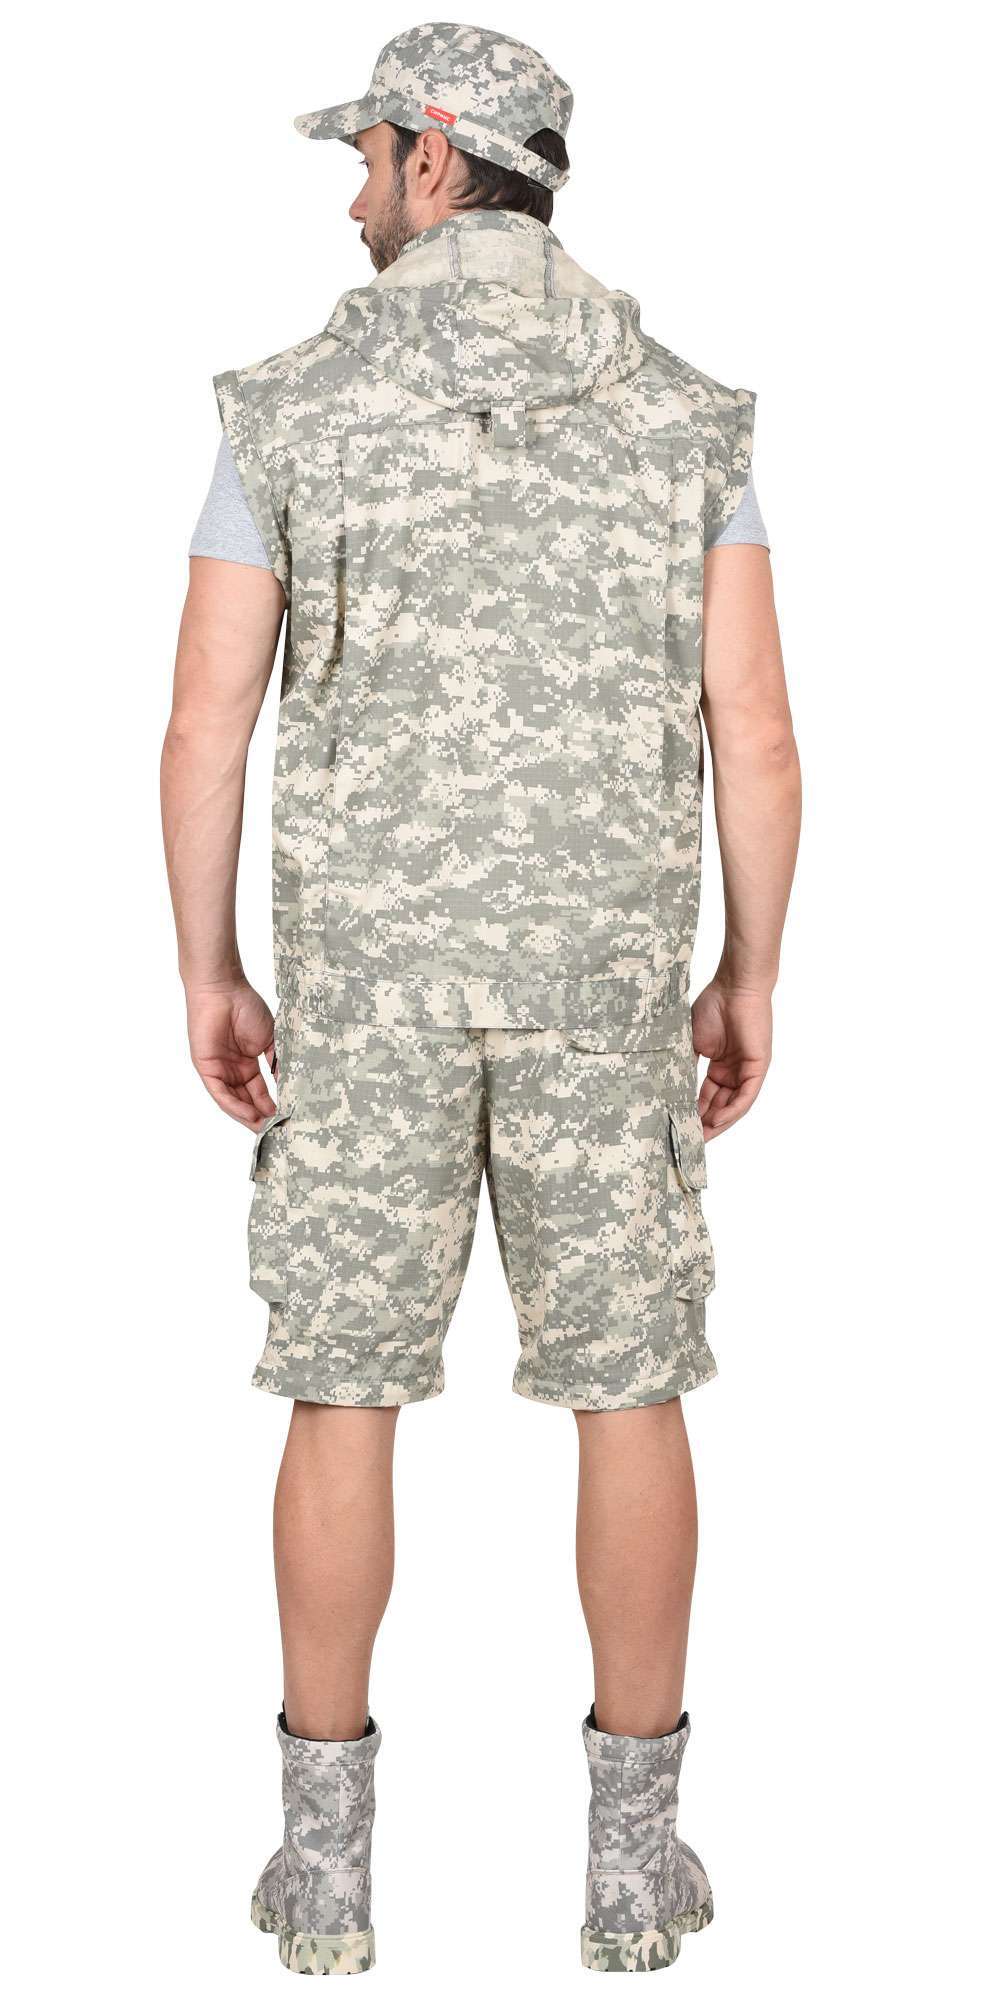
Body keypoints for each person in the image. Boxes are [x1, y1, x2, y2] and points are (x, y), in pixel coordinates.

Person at [161, 21, 800, 1976]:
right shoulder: (685, 414)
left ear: (436, 158)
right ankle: (632, 1875)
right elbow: (758, 733)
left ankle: (324, 1877)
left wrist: (210, 965)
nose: (352, 196)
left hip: (363, 991)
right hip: (606, 982)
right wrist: (744, 970)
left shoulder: (287, 406)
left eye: (365, 158)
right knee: (629, 1386)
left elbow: (204, 725)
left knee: (341, 1387)